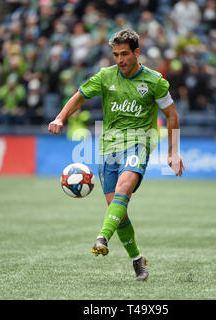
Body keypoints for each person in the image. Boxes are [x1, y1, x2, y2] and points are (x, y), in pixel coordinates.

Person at [48, 29, 185, 281]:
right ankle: (137, 260)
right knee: (117, 210)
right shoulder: (105, 76)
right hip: (109, 148)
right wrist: (60, 117)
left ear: (136, 53)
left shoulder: (154, 81)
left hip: (139, 143)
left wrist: (173, 152)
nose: (119, 60)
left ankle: (102, 236)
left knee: (124, 190)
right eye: (115, 55)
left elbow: (172, 115)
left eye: (124, 54)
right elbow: (79, 96)